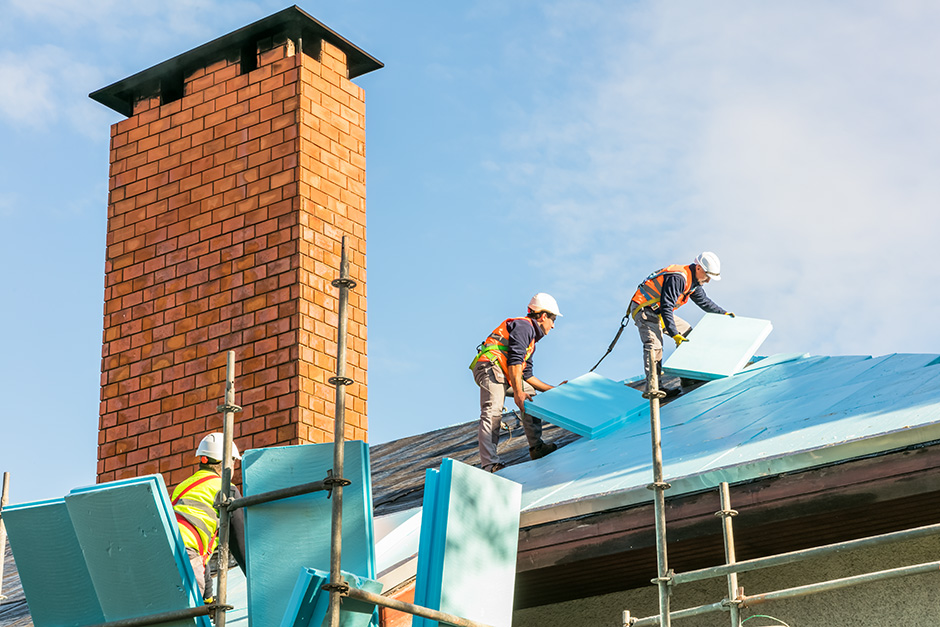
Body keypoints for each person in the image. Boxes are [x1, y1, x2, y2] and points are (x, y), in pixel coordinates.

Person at [470, 293, 564, 472]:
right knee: (493, 411)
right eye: (553, 320)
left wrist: (555, 390)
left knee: (531, 397)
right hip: (491, 368)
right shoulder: (524, 326)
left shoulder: (531, 341)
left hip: (505, 372)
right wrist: (518, 392)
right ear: (543, 316)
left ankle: (537, 448)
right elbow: (514, 361)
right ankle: (490, 464)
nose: (553, 325)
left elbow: (527, 376)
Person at [628, 252, 733, 394]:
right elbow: (667, 306)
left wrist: (723, 313)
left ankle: (687, 377)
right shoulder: (678, 278)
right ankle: (654, 388)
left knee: (689, 334)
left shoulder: (694, 283)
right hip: (646, 310)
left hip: (659, 312)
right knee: (654, 346)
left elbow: (704, 302)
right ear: (698, 268)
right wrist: (674, 334)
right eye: (708, 276)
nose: (708, 281)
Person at [171, 432, 247, 600]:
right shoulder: (226, 488)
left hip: (165, 551)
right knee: (190, 616)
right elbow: (240, 541)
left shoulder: (183, 487)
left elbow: (198, 559)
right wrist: (256, 578)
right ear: (230, 462)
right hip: (188, 558)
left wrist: (208, 598)